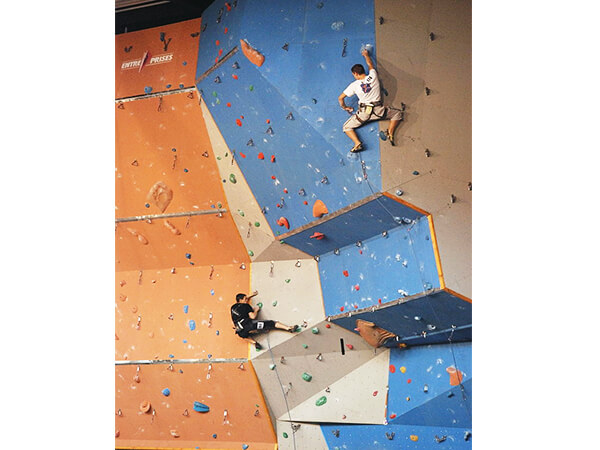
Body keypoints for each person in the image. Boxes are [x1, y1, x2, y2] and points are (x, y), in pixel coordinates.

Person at [338, 48, 404, 152]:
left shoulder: (354, 85)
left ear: (355, 73)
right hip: (379, 111)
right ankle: (390, 132)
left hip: (364, 114)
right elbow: (370, 65)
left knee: (346, 127)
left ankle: (357, 143)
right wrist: (366, 55)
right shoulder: (373, 76)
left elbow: (340, 98)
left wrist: (345, 107)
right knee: (398, 114)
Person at [230, 290, 296, 350]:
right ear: (241, 300)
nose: (246, 300)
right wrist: (256, 310)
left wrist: (250, 295)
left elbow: (233, 324)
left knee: (244, 336)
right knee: (272, 323)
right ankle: (288, 328)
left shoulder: (232, 308)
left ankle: (255, 343)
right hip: (251, 325)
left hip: (240, 330)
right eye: (245, 299)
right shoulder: (246, 306)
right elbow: (253, 316)